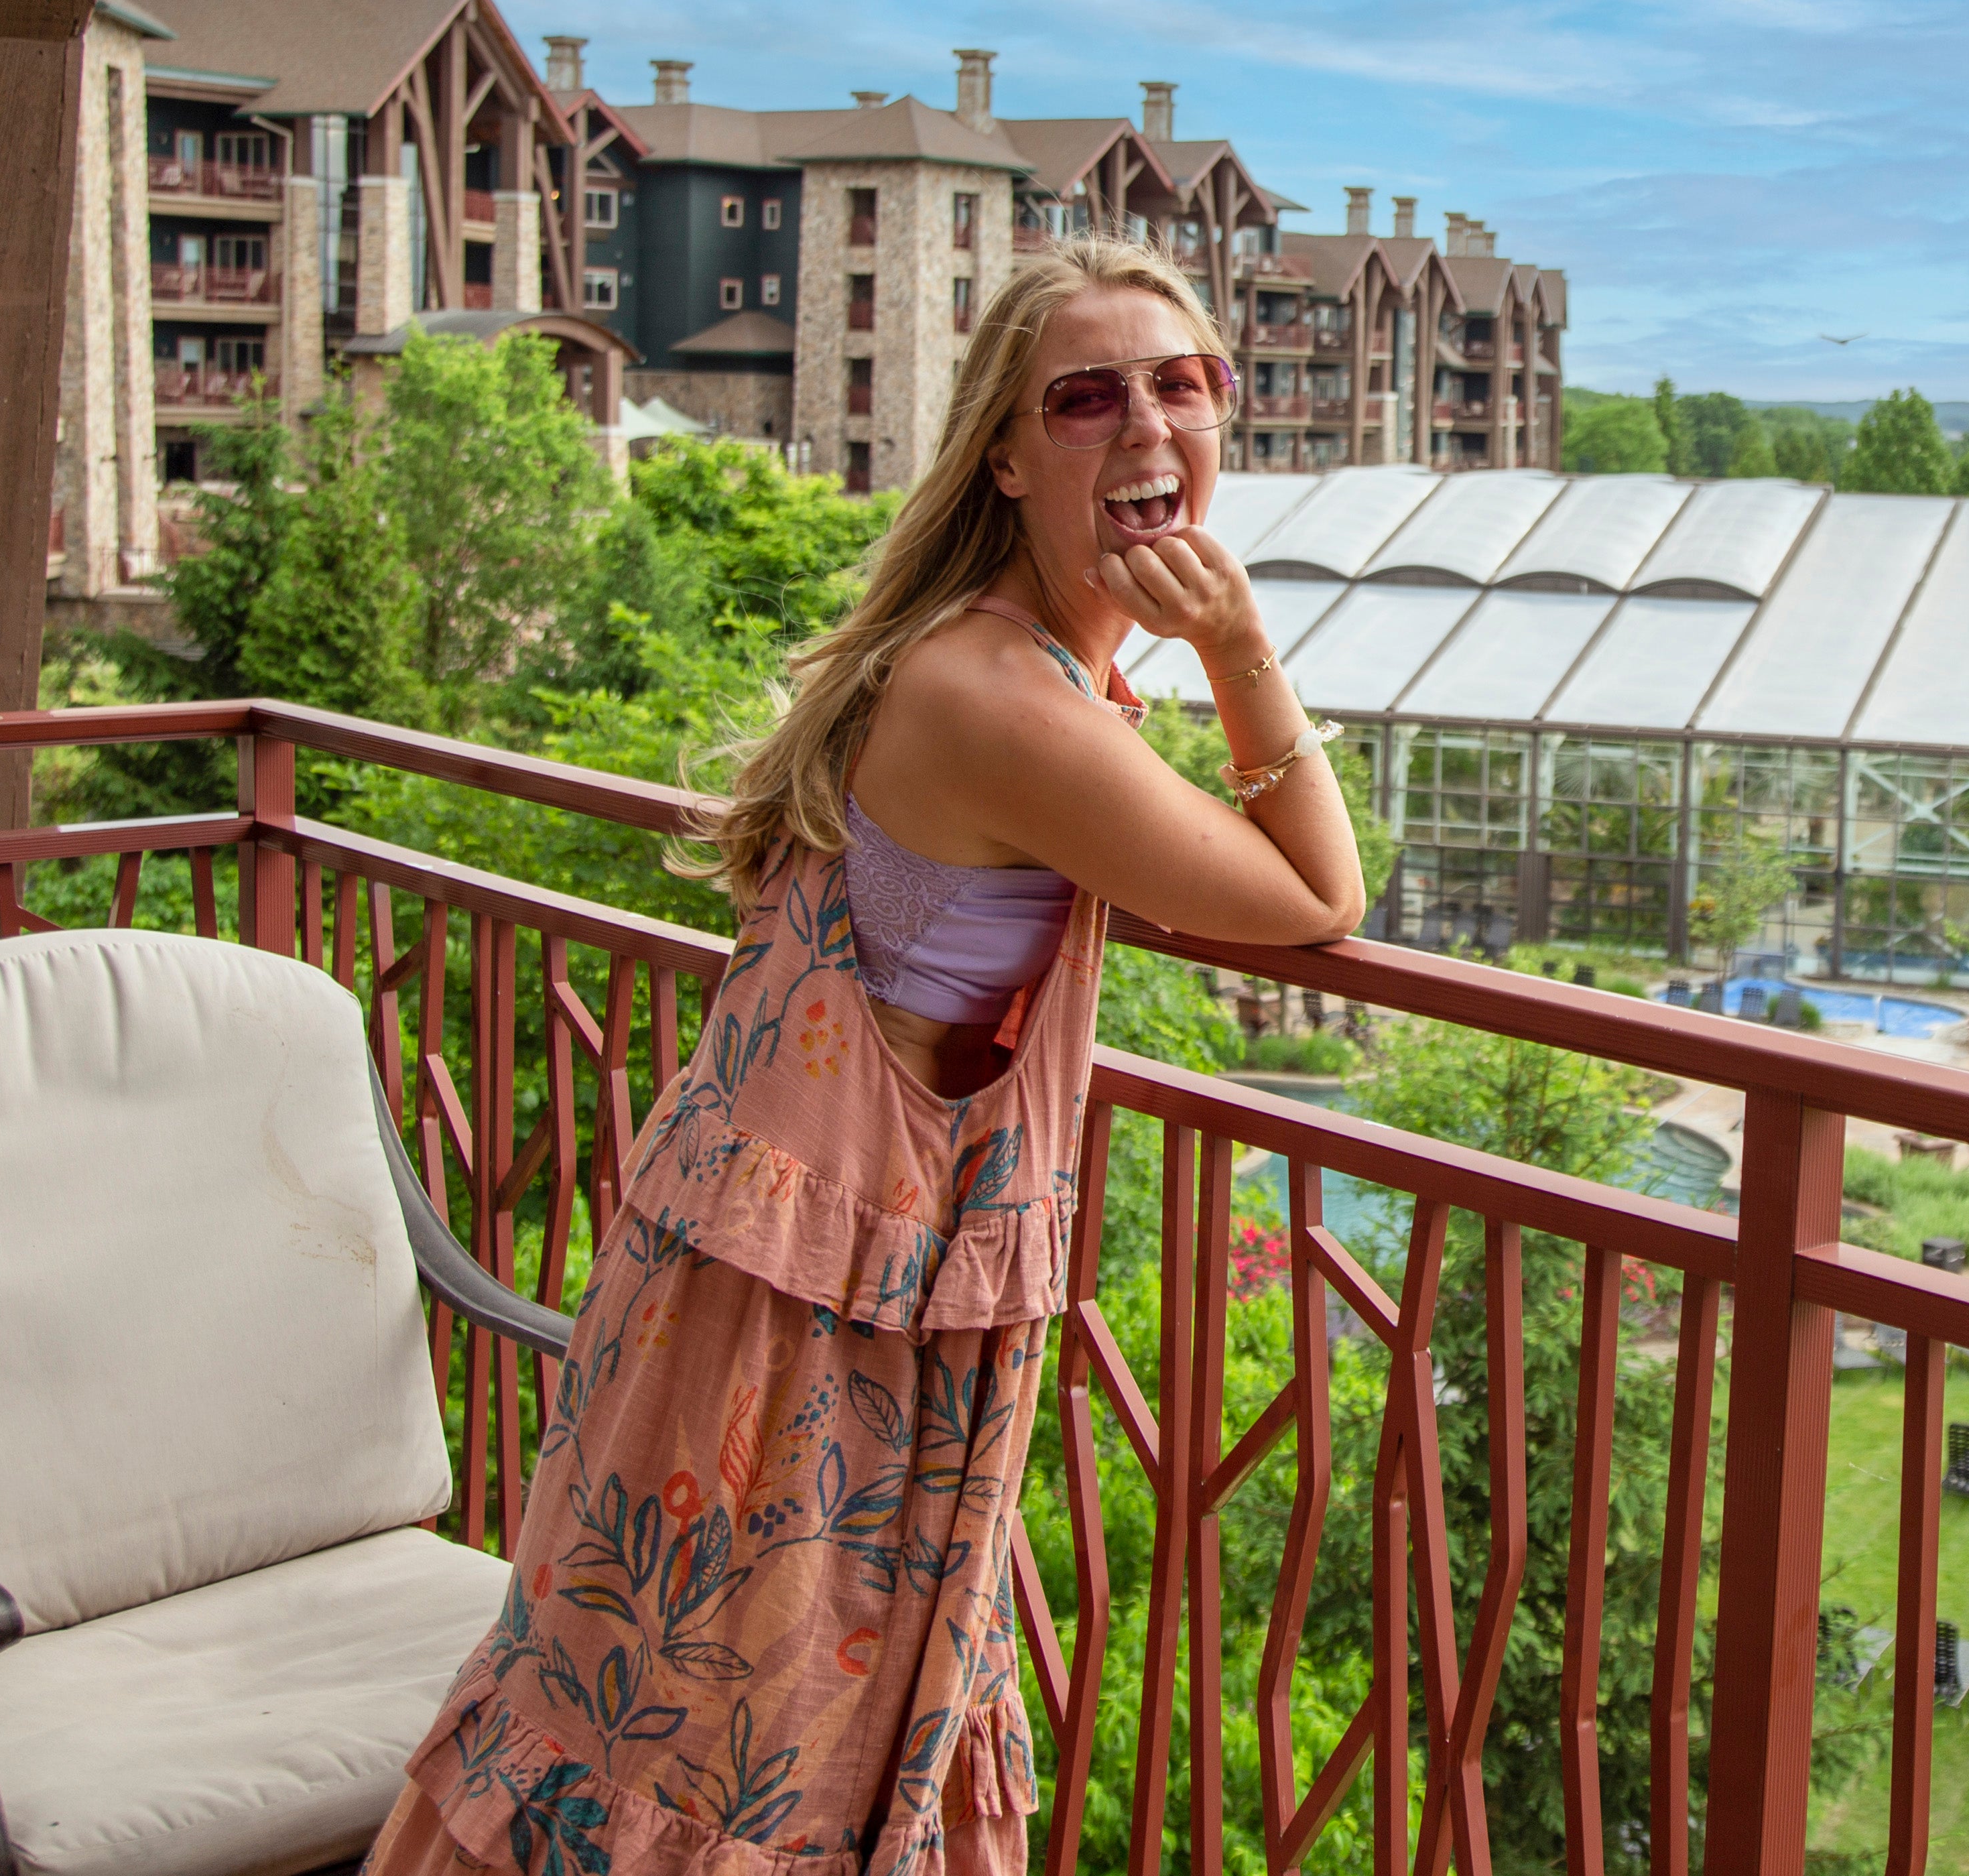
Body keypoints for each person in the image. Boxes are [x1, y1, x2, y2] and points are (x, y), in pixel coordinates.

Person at [369, 234, 1363, 1876]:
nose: (1147, 426)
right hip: (812, 1329)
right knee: (731, 1760)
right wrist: (1243, 651)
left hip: (803, 1280)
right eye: (1088, 397)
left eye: (1184, 386)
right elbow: (1317, 896)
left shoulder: (1012, 655)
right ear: (1007, 451)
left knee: (696, 1733)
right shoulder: (1004, 700)